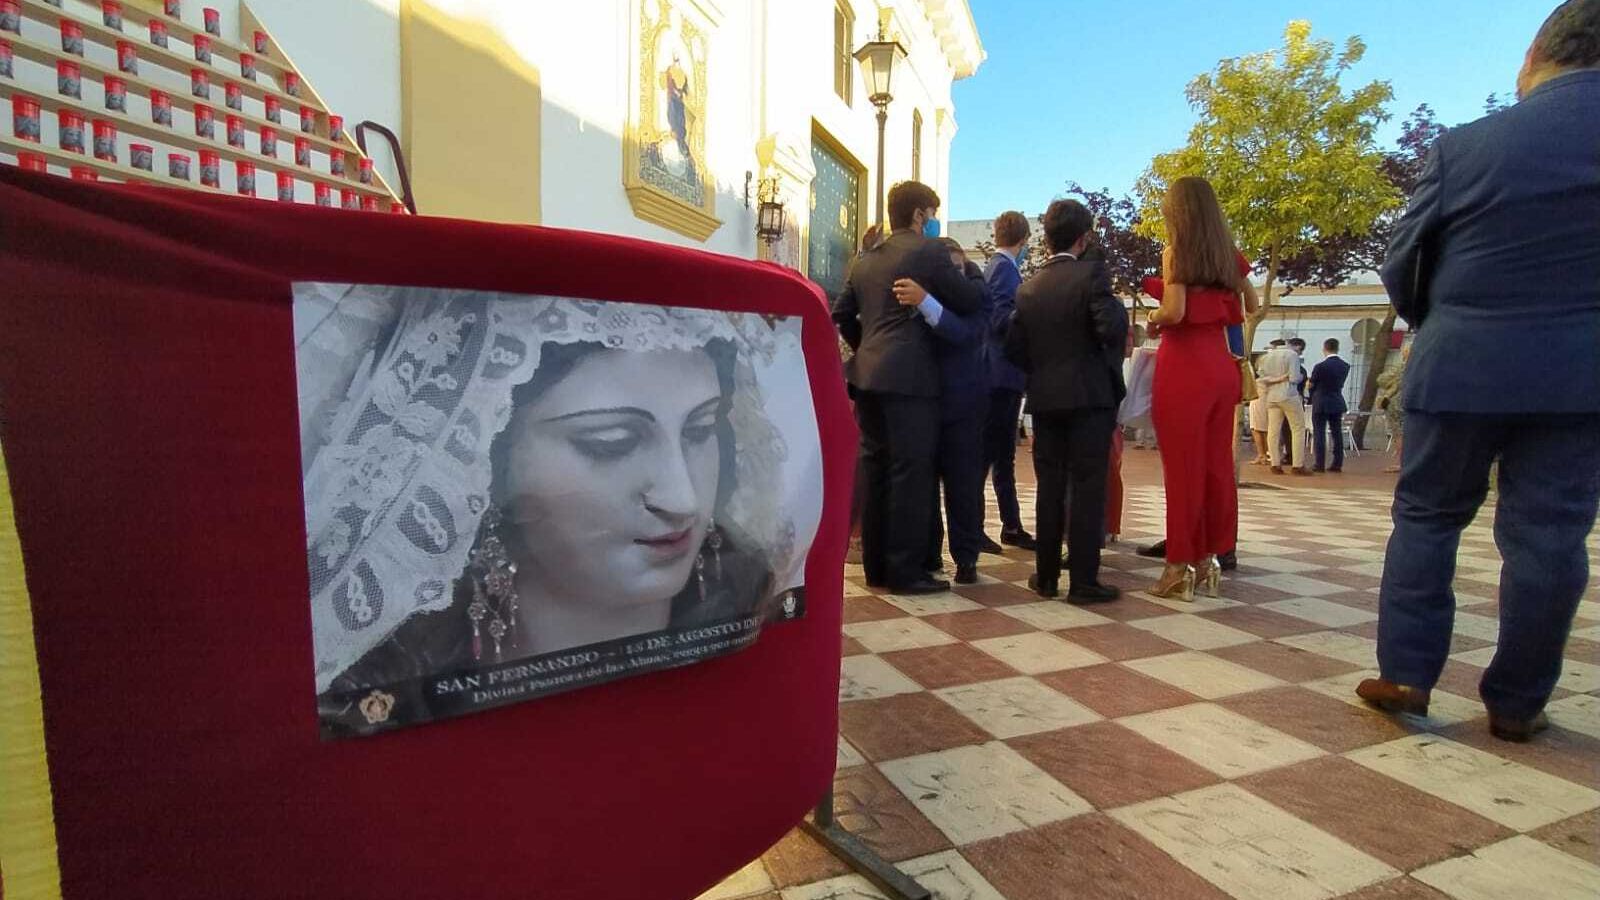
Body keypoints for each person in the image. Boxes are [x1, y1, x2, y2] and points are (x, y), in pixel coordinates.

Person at [304, 293, 800, 734]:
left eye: (699, 430)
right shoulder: (399, 674)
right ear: (488, 457)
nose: (682, 498)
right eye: (609, 444)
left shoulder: (752, 604)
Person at [1357, 0, 1600, 743]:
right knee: (1550, 536)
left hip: (1459, 361)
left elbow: (1402, 261)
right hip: (1579, 374)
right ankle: (1518, 700)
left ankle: (1407, 670)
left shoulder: (1467, 146)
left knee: (1428, 517)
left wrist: (1446, 317)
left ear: (1534, 56)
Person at [833, 181, 986, 594]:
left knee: (877, 469)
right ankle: (905, 571)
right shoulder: (929, 252)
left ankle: (877, 567)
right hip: (911, 380)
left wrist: (868, 346)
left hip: (867, 378)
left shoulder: (866, 260)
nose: (933, 221)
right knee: (911, 474)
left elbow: (842, 312)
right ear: (919, 214)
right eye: (931, 214)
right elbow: (972, 301)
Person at [1141, 177, 1259, 601]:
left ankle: (1177, 569)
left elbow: (1175, 311)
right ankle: (1208, 560)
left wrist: (1154, 319)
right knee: (1213, 467)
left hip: (1185, 366)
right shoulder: (1229, 255)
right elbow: (1253, 304)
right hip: (1219, 365)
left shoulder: (1177, 253)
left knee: (1182, 470)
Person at [1005, 199, 1127, 602]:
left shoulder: (1028, 287)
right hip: (1090, 397)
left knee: (1050, 487)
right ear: (1083, 237)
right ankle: (1084, 582)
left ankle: (1045, 576)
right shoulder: (1092, 274)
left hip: (1045, 398)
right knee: (1089, 487)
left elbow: (1015, 348)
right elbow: (1110, 329)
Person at [897, 238, 992, 585]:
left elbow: (964, 333)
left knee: (962, 487)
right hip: (923, 404)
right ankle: (930, 555)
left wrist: (925, 302)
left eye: (955, 270)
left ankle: (967, 559)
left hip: (965, 408)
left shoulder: (978, 298)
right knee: (924, 486)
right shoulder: (920, 296)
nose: (950, 278)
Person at [980, 211, 1037, 552]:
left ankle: (1010, 523)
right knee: (993, 454)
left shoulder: (998, 267)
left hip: (1000, 374)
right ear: (1023, 239)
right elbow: (1001, 319)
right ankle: (989, 526)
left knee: (1000, 453)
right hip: (1001, 374)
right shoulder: (1003, 270)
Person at [1257, 339, 1310, 475]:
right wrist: (1299, 377)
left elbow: (1262, 378)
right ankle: (1297, 465)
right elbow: (1294, 378)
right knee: (1298, 428)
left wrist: (1276, 379)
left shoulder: (1266, 357)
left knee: (1273, 430)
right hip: (1288, 394)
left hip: (1271, 396)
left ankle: (1275, 463)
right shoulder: (1292, 355)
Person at [1308, 338, 1351, 472]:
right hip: (1337, 400)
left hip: (1321, 401)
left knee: (1319, 432)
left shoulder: (1320, 366)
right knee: (1336, 432)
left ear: (1324, 348)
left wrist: (1310, 392)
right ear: (1337, 348)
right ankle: (1337, 463)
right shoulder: (1345, 365)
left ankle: (1319, 463)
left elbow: (1311, 384)